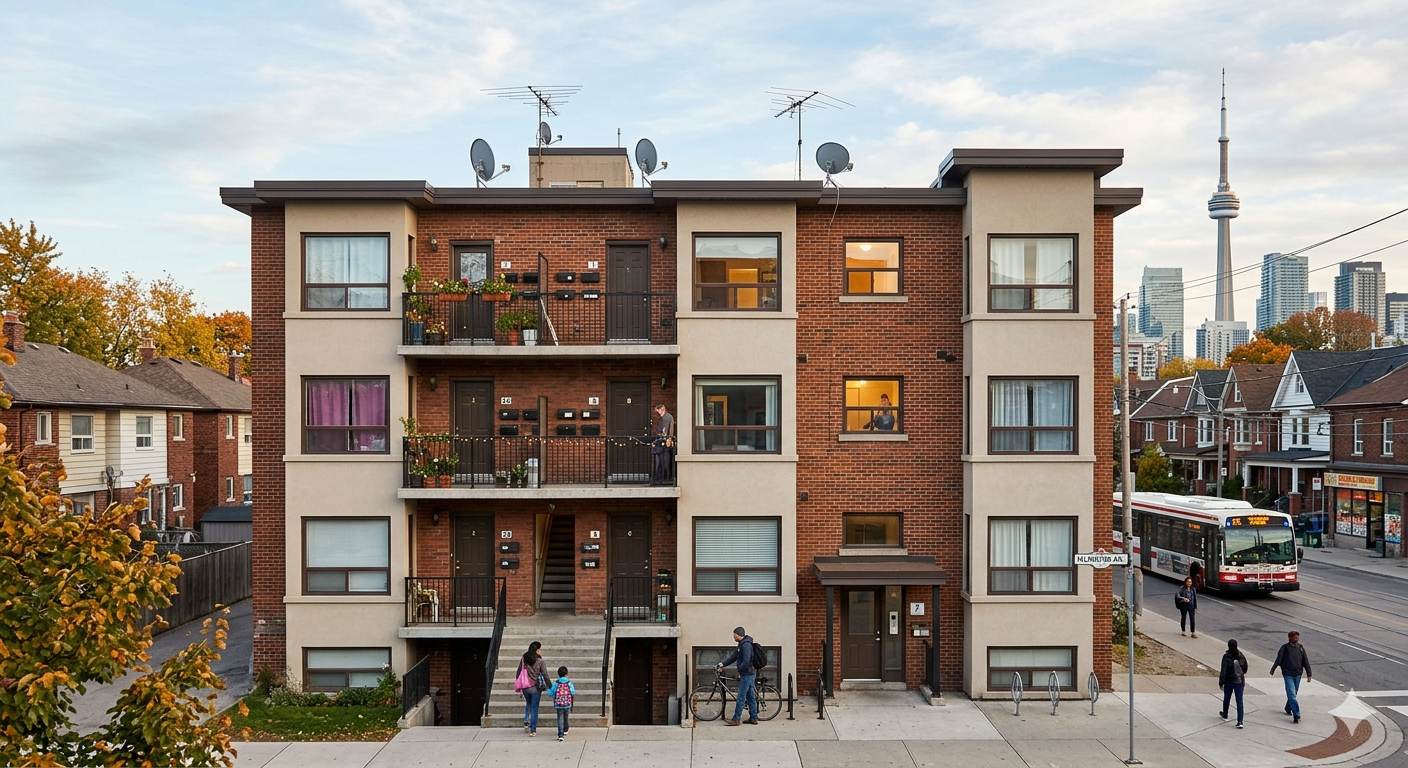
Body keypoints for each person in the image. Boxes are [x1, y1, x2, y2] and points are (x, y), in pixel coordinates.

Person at [716, 627, 758, 725]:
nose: (733, 636)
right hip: (749, 674)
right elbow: (733, 657)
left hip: (747, 674)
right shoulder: (741, 644)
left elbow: (746, 661)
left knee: (741, 697)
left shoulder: (746, 645)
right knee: (750, 697)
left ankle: (736, 719)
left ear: (739, 634)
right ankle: (754, 718)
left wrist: (740, 670)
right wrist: (723, 664)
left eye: (734, 635)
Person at [1270, 630, 1313, 724]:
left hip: (1298, 674)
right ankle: (1297, 715)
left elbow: (1305, 661)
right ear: (1290, 638)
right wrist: (1273, 669)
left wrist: (1309, 674)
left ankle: (1288, 707)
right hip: (1288, 674)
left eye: (1297, 637)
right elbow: (1278, 659)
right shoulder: (1285, 648)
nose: (1297, 638)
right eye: (1295, 637)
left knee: (1293, 694)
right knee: (1292, 694)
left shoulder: (1300, 648)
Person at [514, 641, 549, 736]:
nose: (540, 651)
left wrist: (519, 683)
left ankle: (526, 720)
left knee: (528, 703)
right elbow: (545, 674)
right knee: (534, 708)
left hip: (525, 687)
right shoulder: (540, 661)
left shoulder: (524, 658)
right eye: (539, 649)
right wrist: (549, 686)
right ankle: (533, 730)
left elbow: (518, 672)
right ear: (536, 650)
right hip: (535, 687)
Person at [1218, 638, 1248, 729]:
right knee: (1239, 701)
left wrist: (1221, 682)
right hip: (1239, 681)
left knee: (1227, 698)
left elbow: (1224, 670)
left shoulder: (1226, 656)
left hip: (1229, 680)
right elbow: (1245, 669)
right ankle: (1240, 721)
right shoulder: (1241, 656)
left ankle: (1225, 714)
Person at [651, 404, 674, 485]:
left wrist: (666, 438)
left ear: (662, 409)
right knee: (664, 461)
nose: (658, 412)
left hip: (662, 443)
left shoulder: (666, 418)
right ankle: (664, 478)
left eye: (658, 410)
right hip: (663, 442)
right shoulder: (667, 417)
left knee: (663, 462)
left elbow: (665, 431)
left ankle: (663, 479)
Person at [551, 666, 575, 742]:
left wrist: (548, 691)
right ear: (566, 674)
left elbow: (551, 692)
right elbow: (573, 692)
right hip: (567, 703)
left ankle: (560, 735)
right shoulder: (569, 683)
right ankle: (566, 729)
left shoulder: (556, 683)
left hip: (559, 704)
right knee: (566, 717)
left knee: (560, 718)